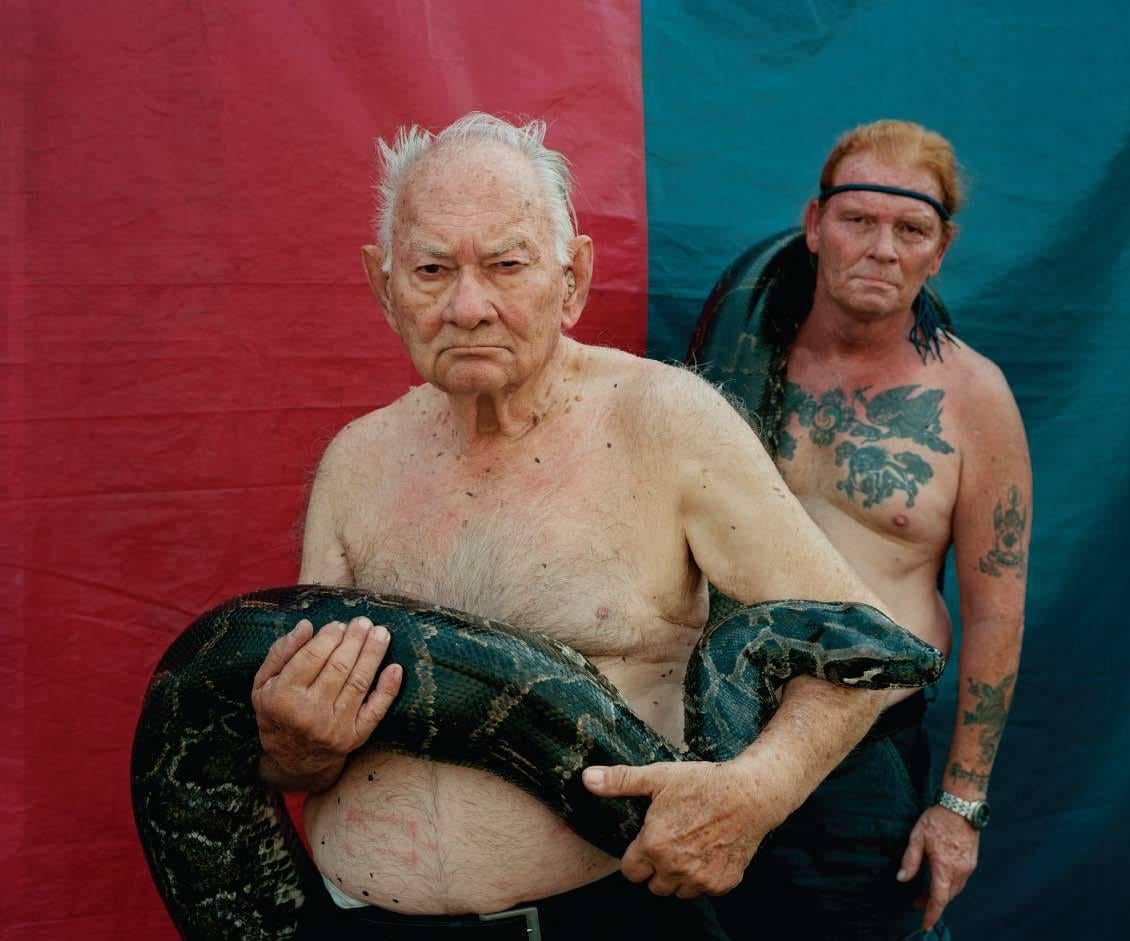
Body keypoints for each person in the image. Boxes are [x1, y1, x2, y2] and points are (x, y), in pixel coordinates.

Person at [249, 113, 918, 939]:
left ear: (572, 281)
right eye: (430, 268)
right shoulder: (356, 462)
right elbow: (302, 758)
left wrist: (757, 790)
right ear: (383, 286)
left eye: (505, 265)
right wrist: (296, 747)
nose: (467, 305)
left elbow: (864, 651)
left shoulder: (664, 422)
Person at [697, 120, 1031, 939]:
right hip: (710, 738)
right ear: (815, 226)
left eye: (910, 229)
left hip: (863, 761)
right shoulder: (729, 370)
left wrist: (959, 806)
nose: (882, 247)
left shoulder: (973, 397)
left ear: (938, 250)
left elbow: (996, 613)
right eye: (858, 220)